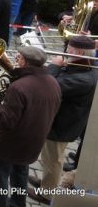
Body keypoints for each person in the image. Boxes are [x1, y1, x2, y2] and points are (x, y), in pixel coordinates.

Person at [27, 36, 98, 204]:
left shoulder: (85, 78)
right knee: (50, 158)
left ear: (80, 52)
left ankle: (47, 193)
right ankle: (47, 182)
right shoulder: (82, 67)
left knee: (53, 159)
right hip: (61, 121)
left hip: (62, 125)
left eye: (70, 49)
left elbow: (49, 86)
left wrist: (54, 66)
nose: (66, 52)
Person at [0, 46, 61, 207]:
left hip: (9, 143)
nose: (16, 60)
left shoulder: (18, 87)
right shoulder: (53, 82)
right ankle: (17, 203)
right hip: (34, 141)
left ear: (26, 62)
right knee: (20, 173)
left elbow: (8, 119)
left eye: (19, 58)